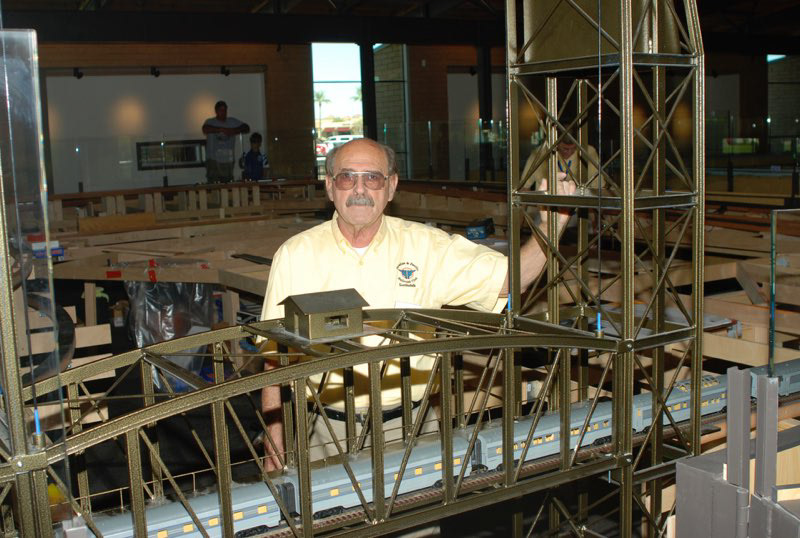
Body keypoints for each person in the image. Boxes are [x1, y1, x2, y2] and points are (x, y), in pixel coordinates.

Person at [260, 138, 576, 470]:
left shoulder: (428, 247)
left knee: (419, 503)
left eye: (373, 178)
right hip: (327, 429)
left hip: (413, 424)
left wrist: (550, 228)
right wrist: (273, 443)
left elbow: (512, 279)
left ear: (391, 186)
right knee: (330, 504)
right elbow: (272, 358)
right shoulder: (296, 255)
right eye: (346, 177)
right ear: (329, 186)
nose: (359, 189)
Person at [202, 100, 250, 183]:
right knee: (213, 184)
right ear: (216, 111)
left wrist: (233, 131)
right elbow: (205, 129)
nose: (223, 112)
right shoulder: (210, 122)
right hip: (213, 160)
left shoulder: (232, 121)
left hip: (228, 160)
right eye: (221, 110)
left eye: (225, 110)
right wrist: (221, 129)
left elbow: (246, 128)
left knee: (227, 184)